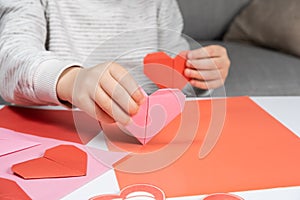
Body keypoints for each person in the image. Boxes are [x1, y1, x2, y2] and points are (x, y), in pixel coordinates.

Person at [0, 0, 230, 125]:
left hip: (143, 138)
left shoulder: (161, 4)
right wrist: (71, 80)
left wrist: (200, 74)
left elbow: (175, 82)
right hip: (59, 131)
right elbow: (12, 58)